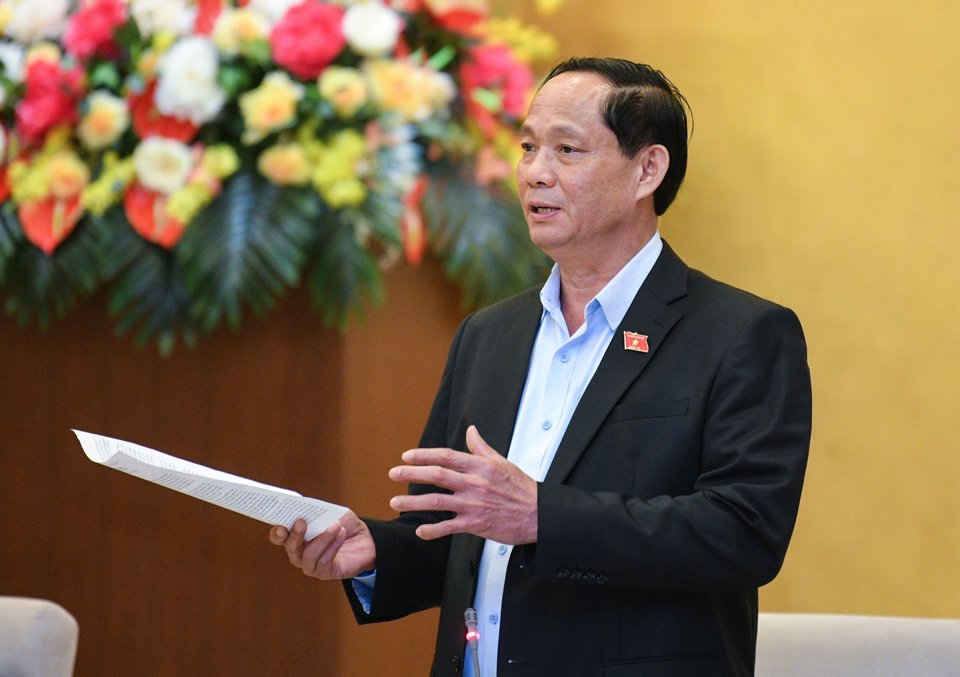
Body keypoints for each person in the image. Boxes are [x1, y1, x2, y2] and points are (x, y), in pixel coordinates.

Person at [271, 56, 812, 677]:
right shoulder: (489, 334)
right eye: (528, 147)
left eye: (566, 149)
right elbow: (453, 534)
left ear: (647, 169)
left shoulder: (740, 333)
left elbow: (743, 534)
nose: (535, 173)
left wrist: (541, 516)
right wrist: (372, 554)